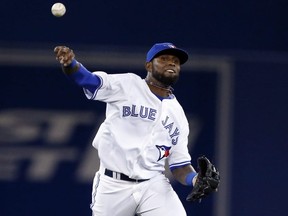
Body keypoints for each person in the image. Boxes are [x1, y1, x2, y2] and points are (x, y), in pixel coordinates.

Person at [54, 42, 198, 216]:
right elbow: (88, 80)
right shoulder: (128, 85)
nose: (171, 63)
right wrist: (71, 65)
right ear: (148, 65)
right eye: (164, 58)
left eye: (175, 60)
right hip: (113, 185)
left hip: (153, 184)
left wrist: (196, 179)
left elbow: (180, 165)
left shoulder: (178, 114)